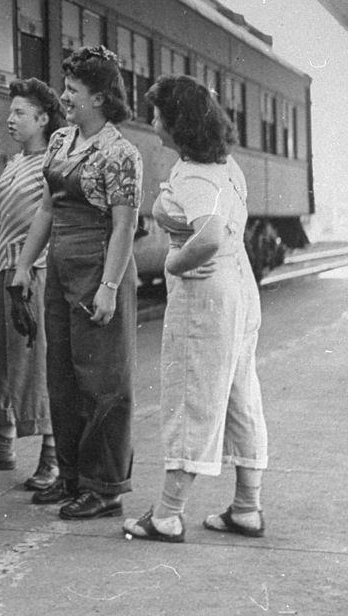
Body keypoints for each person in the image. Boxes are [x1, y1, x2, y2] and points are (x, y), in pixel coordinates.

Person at [123, 75, 267, 543]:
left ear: (178, 122)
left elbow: (205, 235)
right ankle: (246, 507)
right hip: (238, 286)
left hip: (206, 295)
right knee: (238, 394)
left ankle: (166, 514)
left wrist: (173, 262)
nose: (152, 121)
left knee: (192, 396)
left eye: (158, 114)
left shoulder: (197, 174)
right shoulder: (226, 165)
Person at [12, 45, 142, 520]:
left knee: (103, 379)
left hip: (99, 262)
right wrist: (24, 265)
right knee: (63, 375)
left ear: (102, 98)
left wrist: (108, 287)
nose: (64, 97)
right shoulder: (63, 140)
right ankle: (72, 476)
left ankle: (104, 486)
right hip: (62, 261)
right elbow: (47, 208)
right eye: (65, 88)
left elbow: (125, 226)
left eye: (73, 90)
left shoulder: (120, 153)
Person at [0, 79, 65, 492]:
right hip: (8, 269)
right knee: (3, 362)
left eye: (20, 112)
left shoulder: (52, 163)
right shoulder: (16, 162)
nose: (10, 118)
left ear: (42, 119)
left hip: (34, 270)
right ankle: (3, 445)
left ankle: (53, 456)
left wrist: (28, 264)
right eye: (11, 111)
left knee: (37, 363)